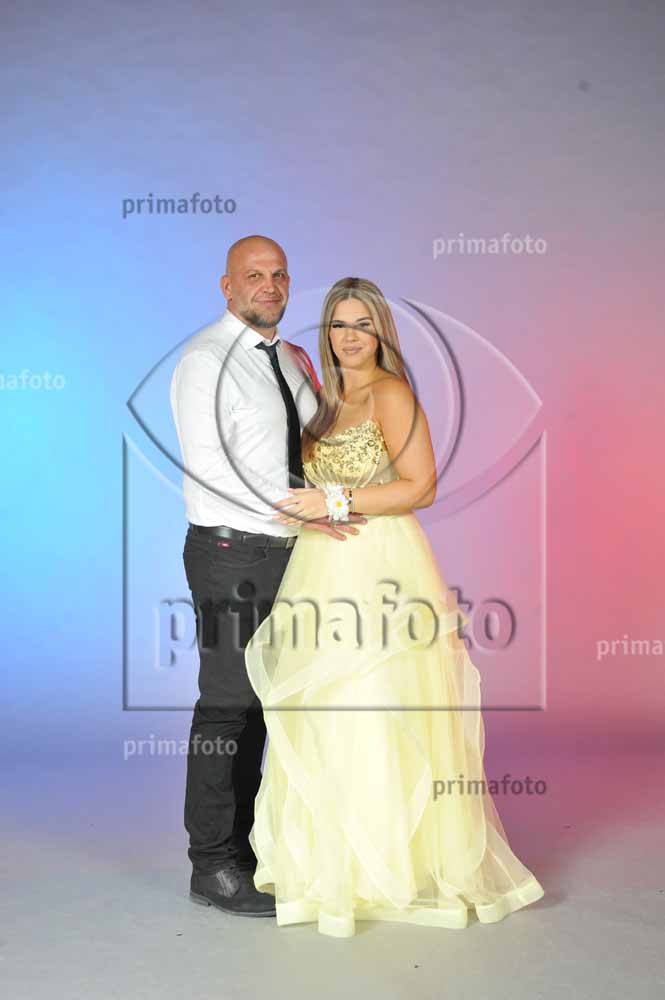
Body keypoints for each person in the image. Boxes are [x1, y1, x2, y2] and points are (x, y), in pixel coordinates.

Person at [244, 276, 545, 937]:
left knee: (376, 697)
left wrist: (335, 501)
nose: (349, 336)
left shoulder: (391, 392)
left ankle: (391, 865)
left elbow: (422, 486)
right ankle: (335, 863)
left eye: (362, 324)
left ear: (381, 332)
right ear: (326, 332)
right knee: (324, 705)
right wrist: (306, 511)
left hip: (381, 566)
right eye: (338, 324)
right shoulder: (325, 401)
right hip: (321, 565)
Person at [170, 237, 367, 918]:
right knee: (227, 704)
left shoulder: (288, 359)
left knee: (267, 704)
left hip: (291, 553)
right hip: (231, 553)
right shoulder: (204, 360)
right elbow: (213, 471)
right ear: (227, 286)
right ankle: (211, 864)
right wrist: (319, 509)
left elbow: (321, 442)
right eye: (254, 275)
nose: (269, 285)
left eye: (279, 275)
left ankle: (249, 849)